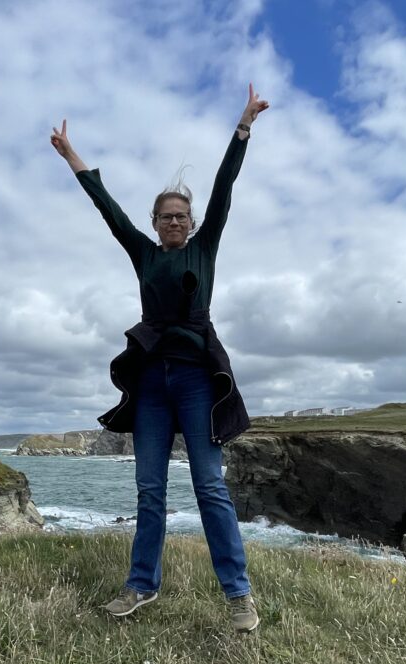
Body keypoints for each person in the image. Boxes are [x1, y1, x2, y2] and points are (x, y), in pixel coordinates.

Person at [50, 84, 269, 632]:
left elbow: (224, 186)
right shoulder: (144, 254)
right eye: (166, 216)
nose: (174, 222)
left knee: (210, 486)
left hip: (196, 381)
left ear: (192, 223)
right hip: (151, 384)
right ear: (154, 223)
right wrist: (73, 157)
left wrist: (243, 127)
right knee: (150, 490)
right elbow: (107, 209)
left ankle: (239, 596)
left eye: (181, 216)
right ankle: (141, 584)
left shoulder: (204, 248)